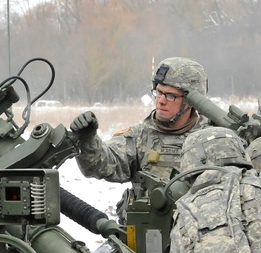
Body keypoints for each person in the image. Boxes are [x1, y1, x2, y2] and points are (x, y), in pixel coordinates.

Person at [68, 57, 212, 220]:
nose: (161, 101)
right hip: (147, 236)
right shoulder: (139, 137)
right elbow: (101, 165)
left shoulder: (214, 139)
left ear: (191, 101)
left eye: (171, 96)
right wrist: (88, 140)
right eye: (158, 92)